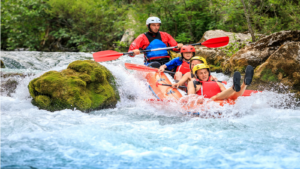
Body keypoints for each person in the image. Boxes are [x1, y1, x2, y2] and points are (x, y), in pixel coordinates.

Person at [187, 64, 254, 101]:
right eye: (201, 73)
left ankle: (245, 83)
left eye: (205, 72)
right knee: (216, 96)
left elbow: (227, 95)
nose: (204, 75)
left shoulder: (217, 83)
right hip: (206, 102)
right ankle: (235, 87)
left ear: (208, 73)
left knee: (232, 96)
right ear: (196, 75)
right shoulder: (193, 83)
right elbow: (191, 97)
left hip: (219, 101)